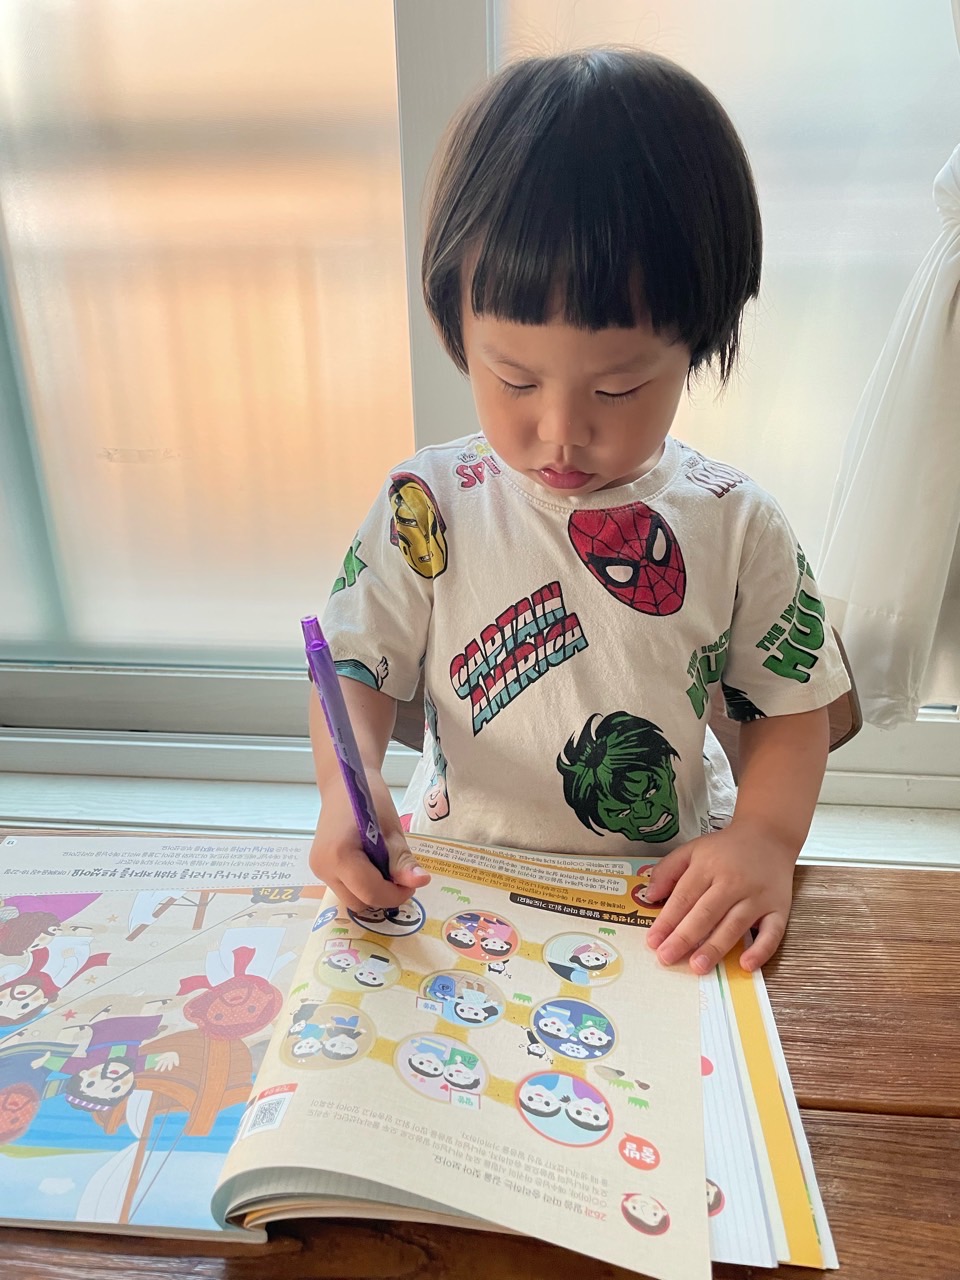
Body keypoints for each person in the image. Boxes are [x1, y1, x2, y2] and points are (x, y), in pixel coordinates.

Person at [309, 49, 851, 975]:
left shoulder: (734, 523)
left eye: (619, 387)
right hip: (455, 884)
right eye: (513, 378)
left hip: (664, 901)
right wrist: (343, 793)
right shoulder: (425, 507)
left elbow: (792, 709)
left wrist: (763, 838)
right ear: (453, 322)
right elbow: (353, 667)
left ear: (700, 342)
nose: (560, 432)